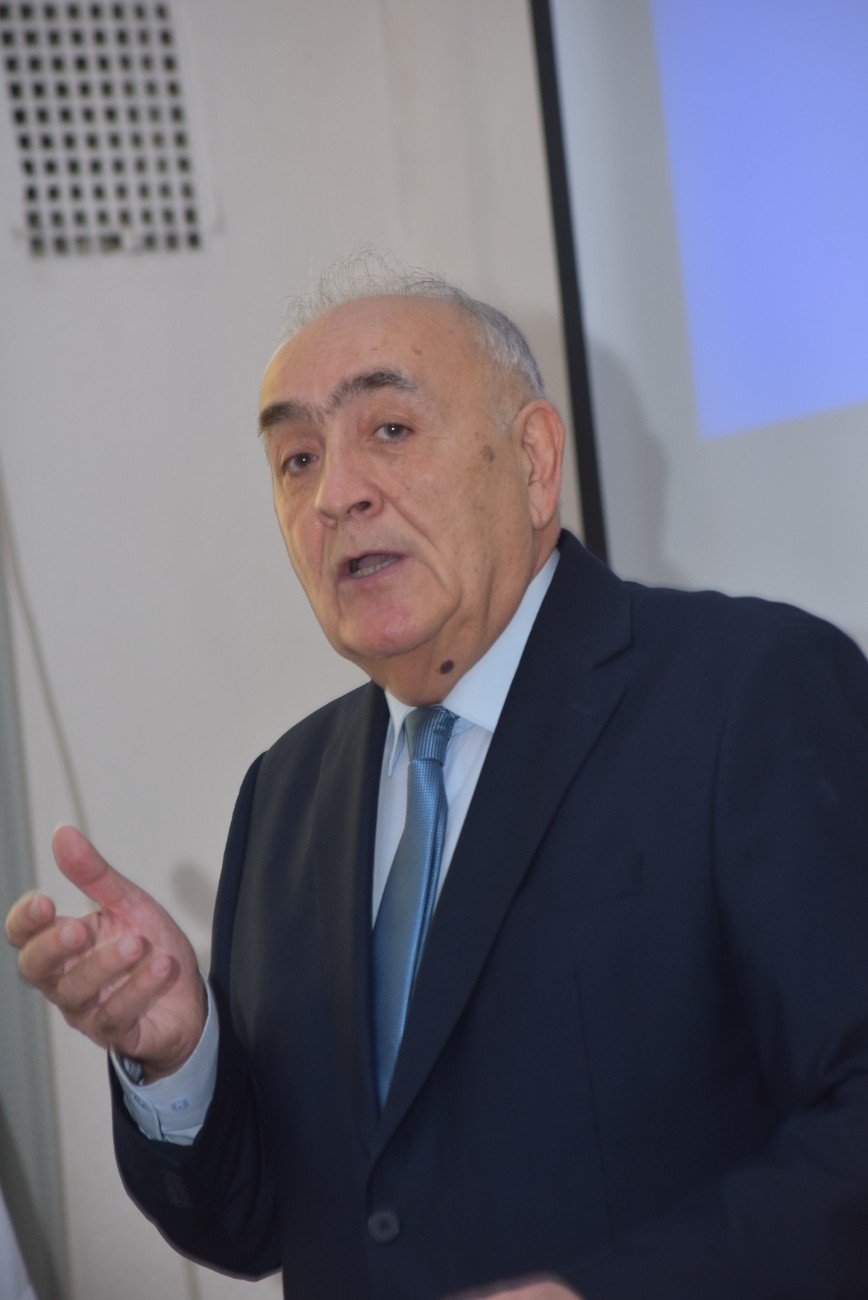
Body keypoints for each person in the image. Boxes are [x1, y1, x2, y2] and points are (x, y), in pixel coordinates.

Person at [6, 260, 868, 1300]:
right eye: (296, 458)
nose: (335, 494)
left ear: (534, 460)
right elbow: (258, 1222)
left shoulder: (747, 692)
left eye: (390, 430)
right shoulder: (284, 796)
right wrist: (180, 1057)